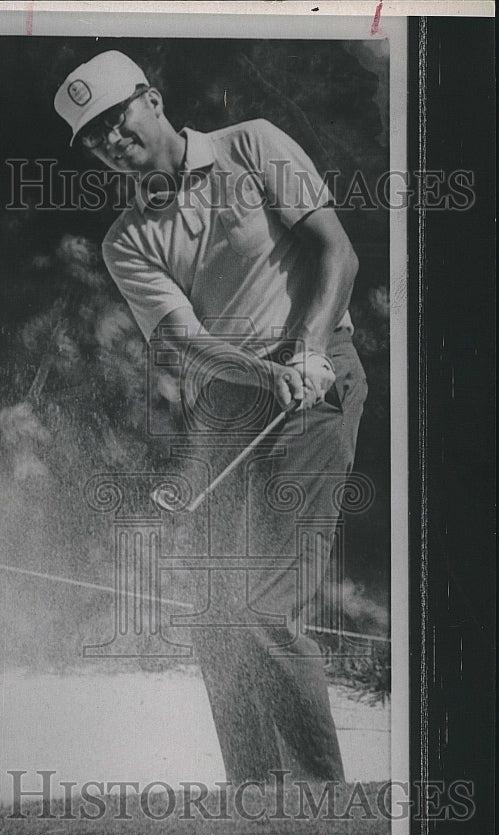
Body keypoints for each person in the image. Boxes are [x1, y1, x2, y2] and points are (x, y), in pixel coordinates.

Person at [55, 50, 368, 784]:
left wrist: (310, 353)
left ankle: (317, 799)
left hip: (319, 382)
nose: (108, 138)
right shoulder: (125, 238)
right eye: (90, 135)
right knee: (215, 616)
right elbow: (187, 345)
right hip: (230, 402)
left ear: (153, 101)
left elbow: (336, 252)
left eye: (113, 117)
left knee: (263, 607)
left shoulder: (252, 144)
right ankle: (254, 798)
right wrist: (265, 373)